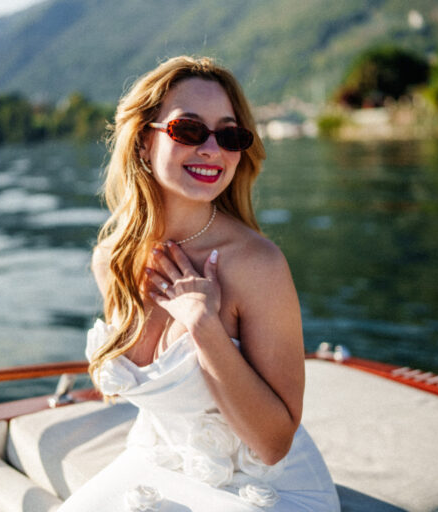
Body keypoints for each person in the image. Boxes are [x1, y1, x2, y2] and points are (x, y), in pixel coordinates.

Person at [58, 56, 340, 512]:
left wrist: (204, 326)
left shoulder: (256, 264)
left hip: (264, 489)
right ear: (143, 141)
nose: (212, 149)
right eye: (189, 130)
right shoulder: (111, 260)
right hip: (157, 463)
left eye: (229, 136)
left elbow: (273, 445)